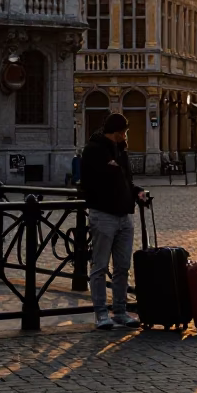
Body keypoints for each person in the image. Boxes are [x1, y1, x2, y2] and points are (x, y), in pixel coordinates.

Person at [80, 113, 148, 331]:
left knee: (122, 267)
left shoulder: (122, 150)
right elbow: (89, 183)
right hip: (103, 215)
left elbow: (126, 180)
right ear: (117, 131)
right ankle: (101, 313)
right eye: (124, 131)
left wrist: (136, 192)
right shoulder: (94, 150)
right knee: (99, 266)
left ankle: (120, 310)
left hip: (124, 216)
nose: (126, 135)